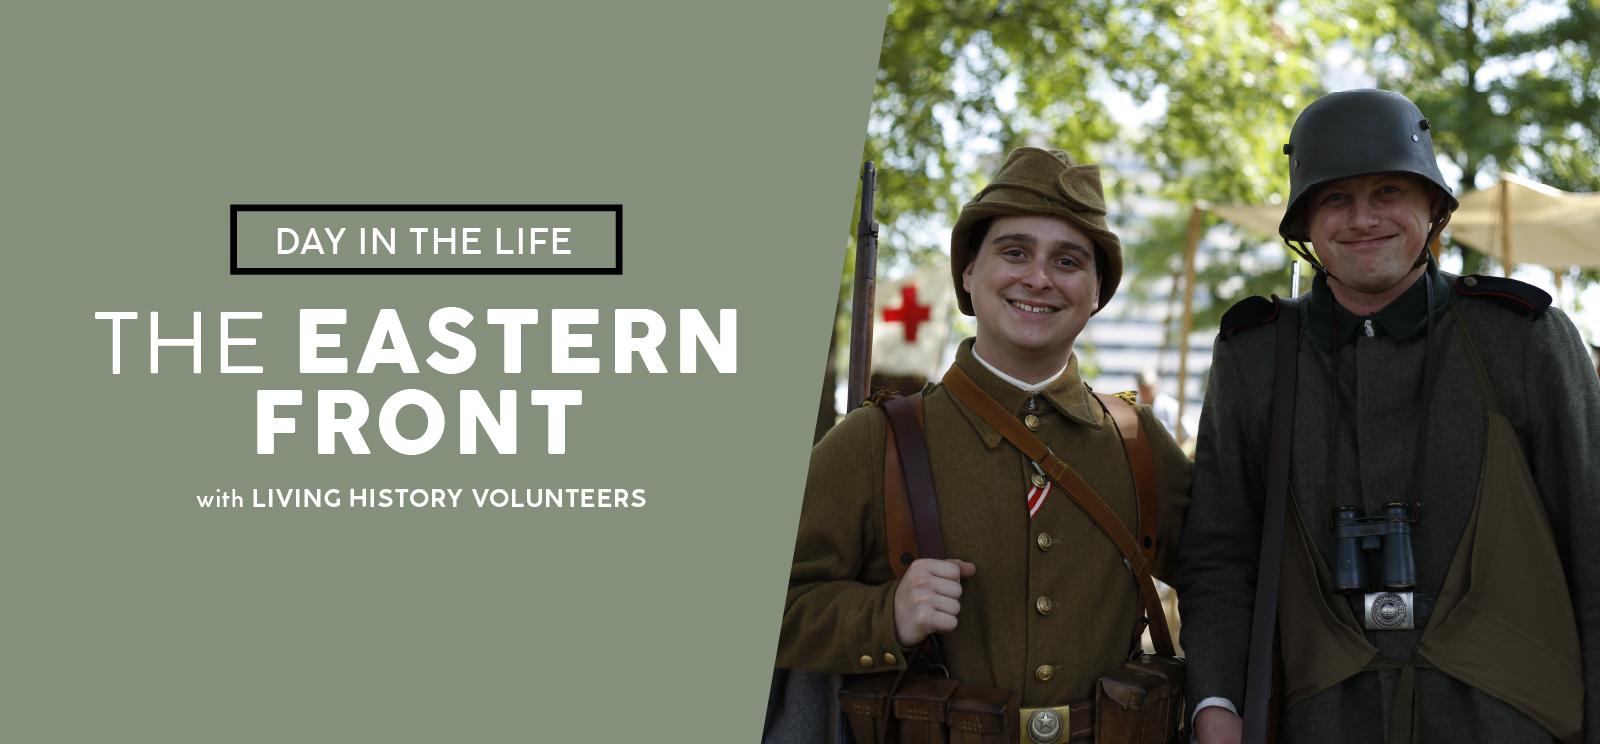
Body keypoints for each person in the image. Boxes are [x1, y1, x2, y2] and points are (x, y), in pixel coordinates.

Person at [1176, 89, 1600, 744]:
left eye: (1388, 192)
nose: (1363, 218)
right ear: (1306, 224)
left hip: (1508, 722)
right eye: (1335, 198)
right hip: (1319, 722)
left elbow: (1592, 543)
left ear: (1432, 207)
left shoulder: (1523, 338)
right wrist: (1216, 704)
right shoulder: (1256, 355)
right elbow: (1220, 553)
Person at [777, 148, 1191, 739]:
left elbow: (1226, 580)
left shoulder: (1137, 442)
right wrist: (882, 615)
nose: (1038, 277)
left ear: (1097, 291)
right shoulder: (876, 440)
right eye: (1014, 251)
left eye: (1068, 261)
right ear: (968, 274)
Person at [1136, 367, 1185, 444]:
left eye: (1148, 388)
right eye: (1143, 389)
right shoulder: (1134, 408)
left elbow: (1191, 434)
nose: (1146, 393)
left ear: (1155, 386)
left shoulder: (1170, 406)